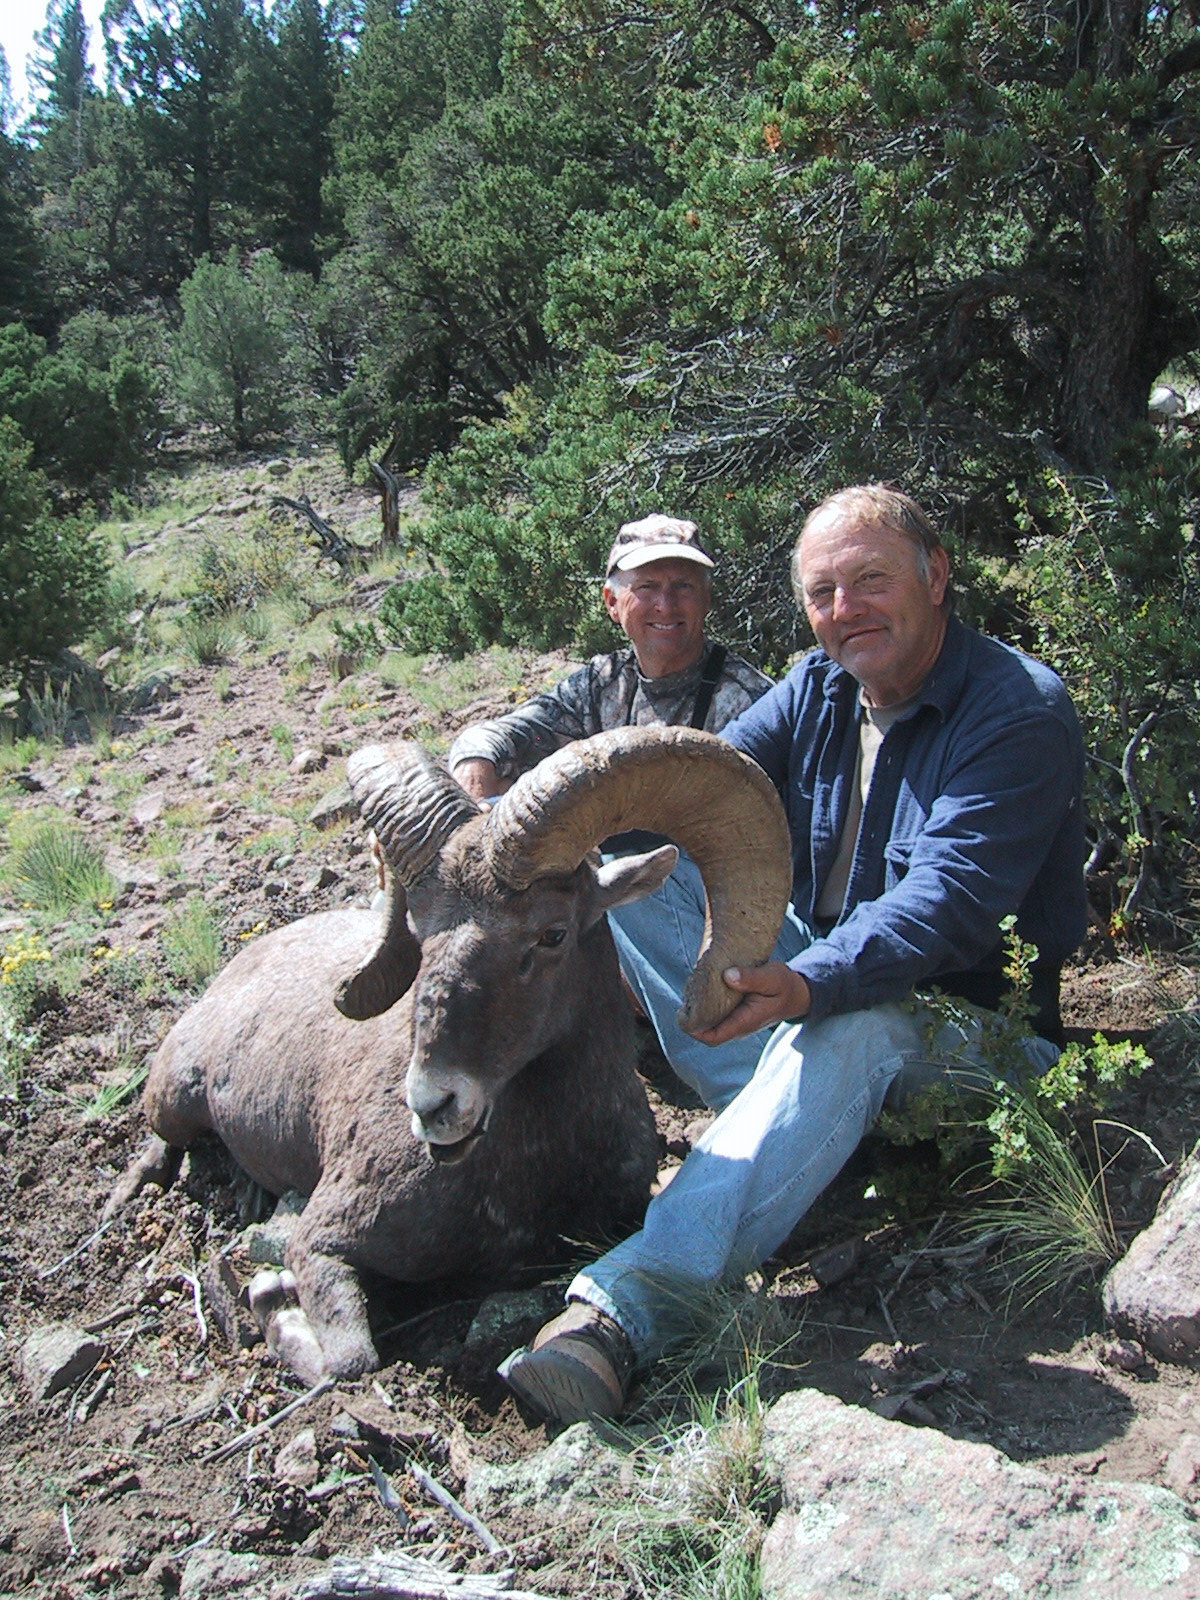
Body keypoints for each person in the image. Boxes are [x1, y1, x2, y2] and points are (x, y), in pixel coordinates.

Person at [499, 484, 1088, 1423]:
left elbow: (949, 907)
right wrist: (515, 836)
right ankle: (787, 1123)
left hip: (972, 1031)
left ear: (937, 576)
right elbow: (691, 788)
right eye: (823, 594)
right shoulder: (820, 688)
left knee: (857, 1027)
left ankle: (619, 1317)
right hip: (824, 996)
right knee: (628, 868)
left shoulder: (1016, 711)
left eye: (870, 580)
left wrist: (809, 982)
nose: (845, 611)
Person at [445, 514, 772, 801]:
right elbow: (498, 735)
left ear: (706, 598)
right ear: (612, 603)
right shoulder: (601, 683)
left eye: (683, 586)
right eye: (647, 586)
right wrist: (475, 772)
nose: (666, 604)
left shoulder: (749, 702)